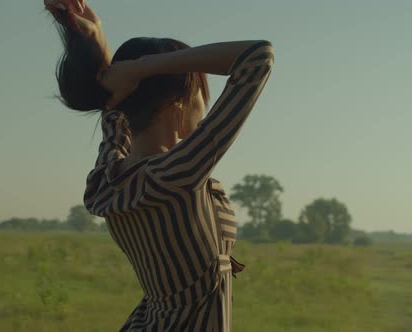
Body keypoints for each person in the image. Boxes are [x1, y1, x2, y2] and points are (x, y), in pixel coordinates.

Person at [44, 1, 274, 330]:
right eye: (199, 92)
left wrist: (101, 43)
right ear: (176, 102)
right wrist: (149, 66)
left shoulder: (108, 177)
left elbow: (115, 104)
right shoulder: (178, 173)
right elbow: (259, 57)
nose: (204, 105)